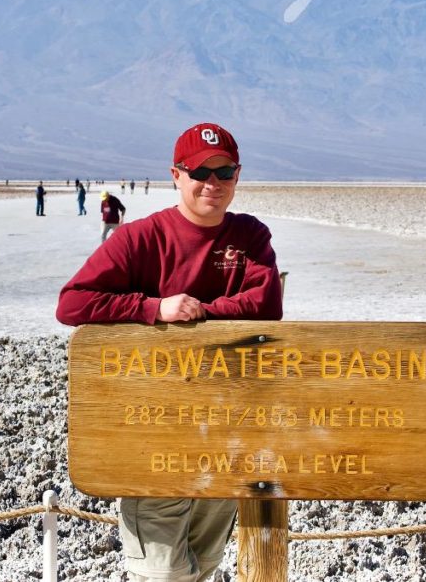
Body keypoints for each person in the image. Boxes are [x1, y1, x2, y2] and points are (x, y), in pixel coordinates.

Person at [56, 122, 282, 582]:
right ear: (175, 175)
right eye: (199, 171)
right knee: (162, 575)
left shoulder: (250, 237)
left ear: (238, 176)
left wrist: (197, 314)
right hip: (155, 440)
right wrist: (155, 308)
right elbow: (73, 302)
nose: (212, 184)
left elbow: (266, 303)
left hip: (225, 440)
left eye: (224, 172)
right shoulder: (142, 237)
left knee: (206, 566)